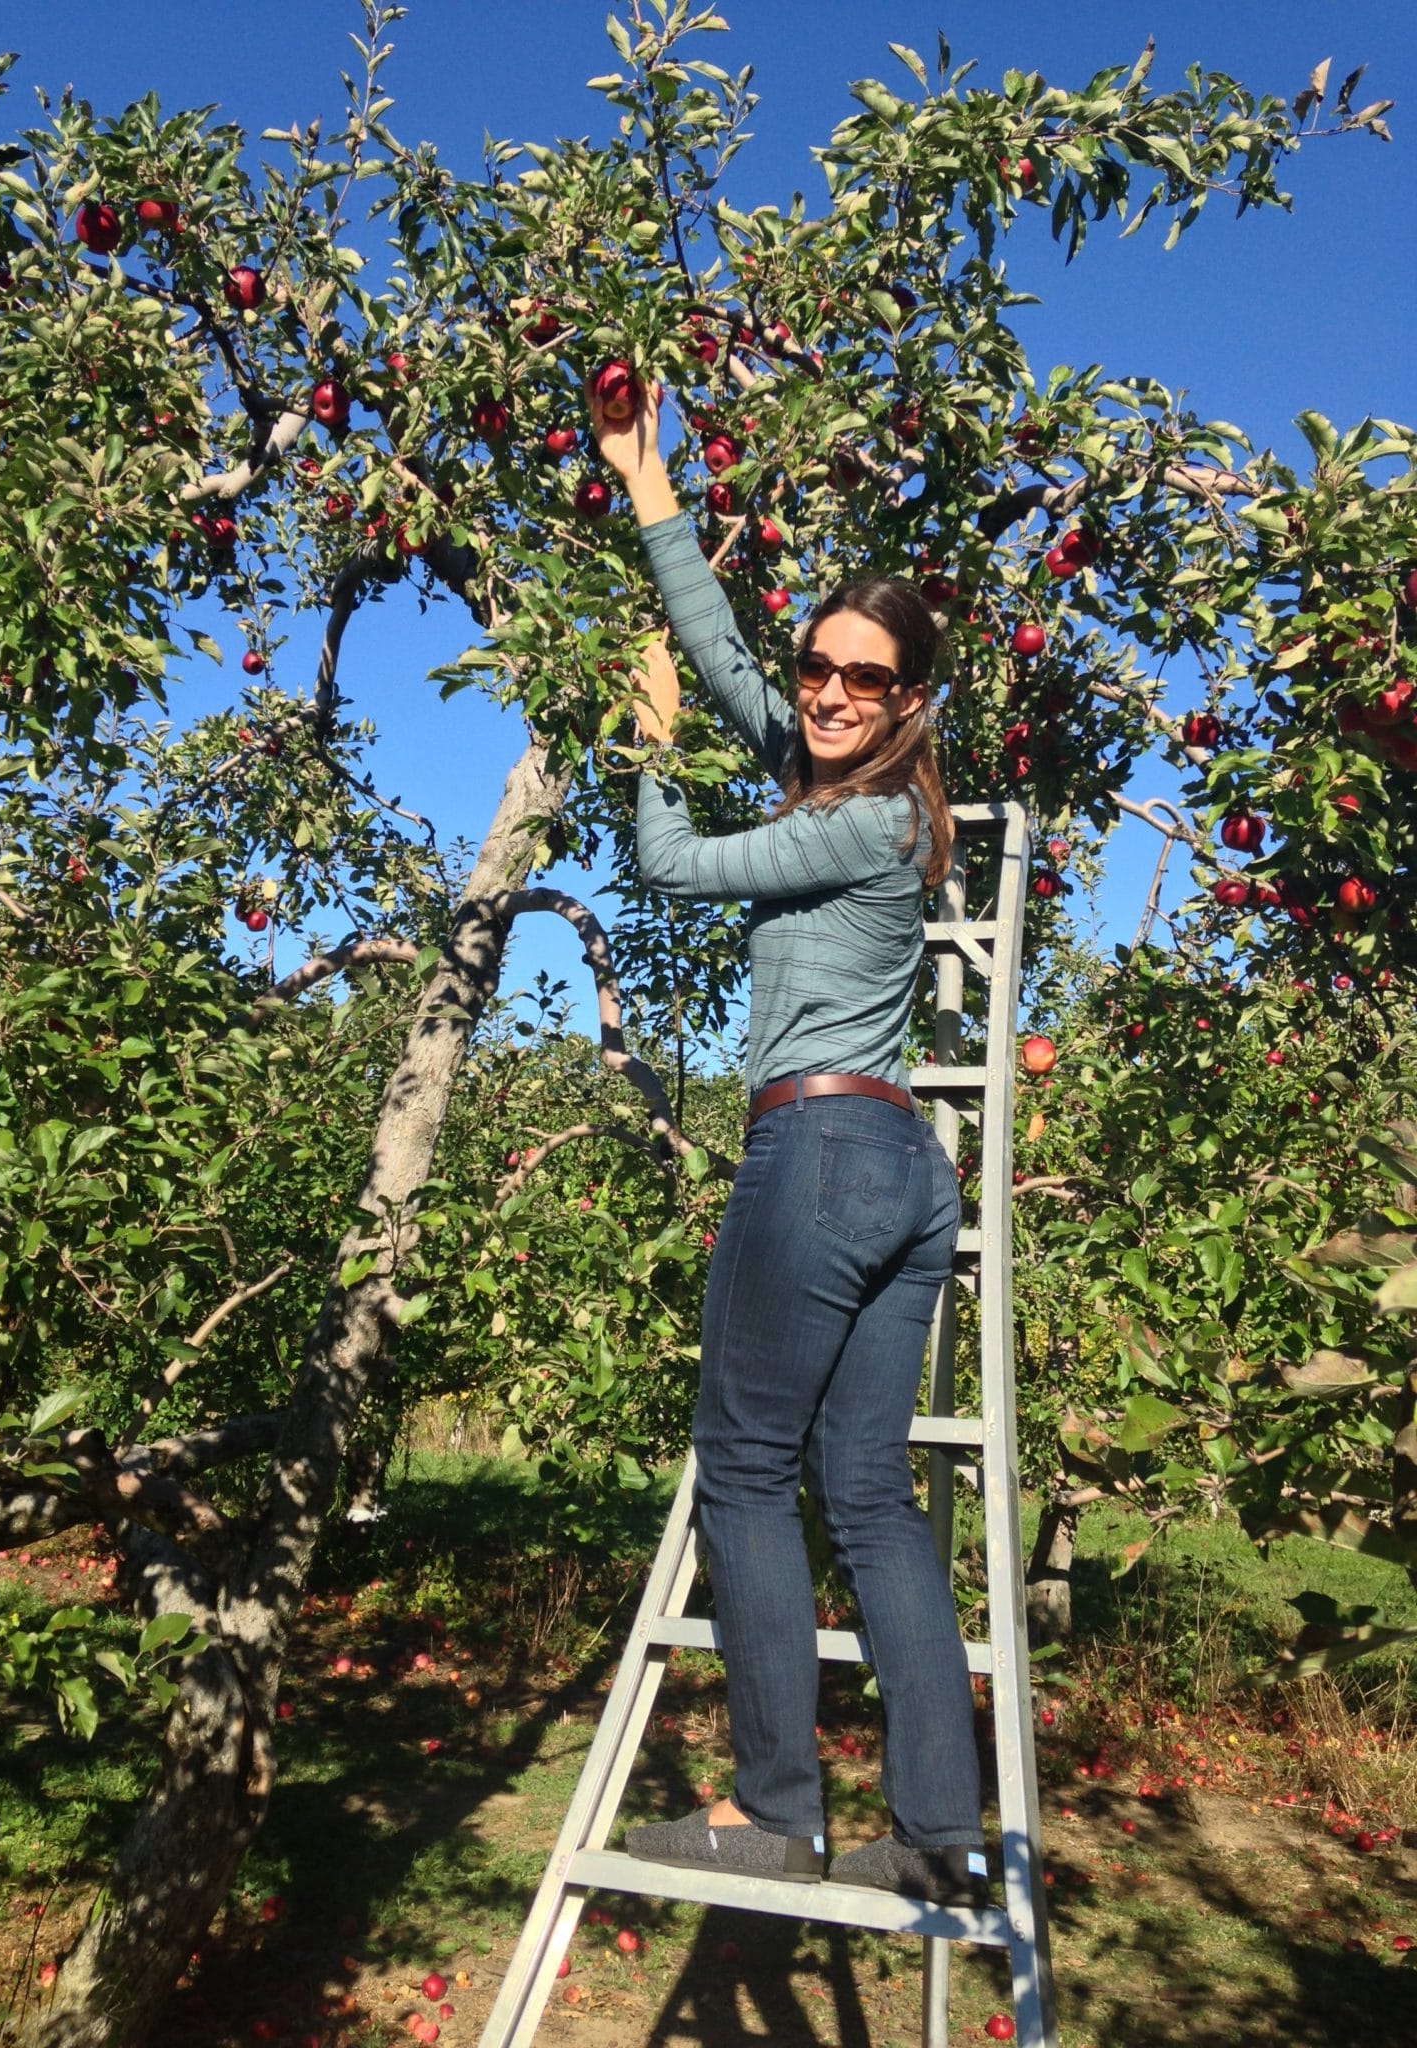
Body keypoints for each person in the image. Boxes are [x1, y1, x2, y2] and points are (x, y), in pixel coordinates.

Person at [584, 379, 987, 1907]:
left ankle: (774, 1807)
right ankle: (939, 1837)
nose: (821, 691)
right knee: (869, 1495)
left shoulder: (864, 823)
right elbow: (722, 650)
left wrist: (645, 744)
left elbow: (672, 861)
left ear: (906, 702)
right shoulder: (852, 783)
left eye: (857, 678)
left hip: (818, 1156)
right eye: (817, 665)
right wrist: (647, 479)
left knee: (746, 1474)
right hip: (902, 1173)